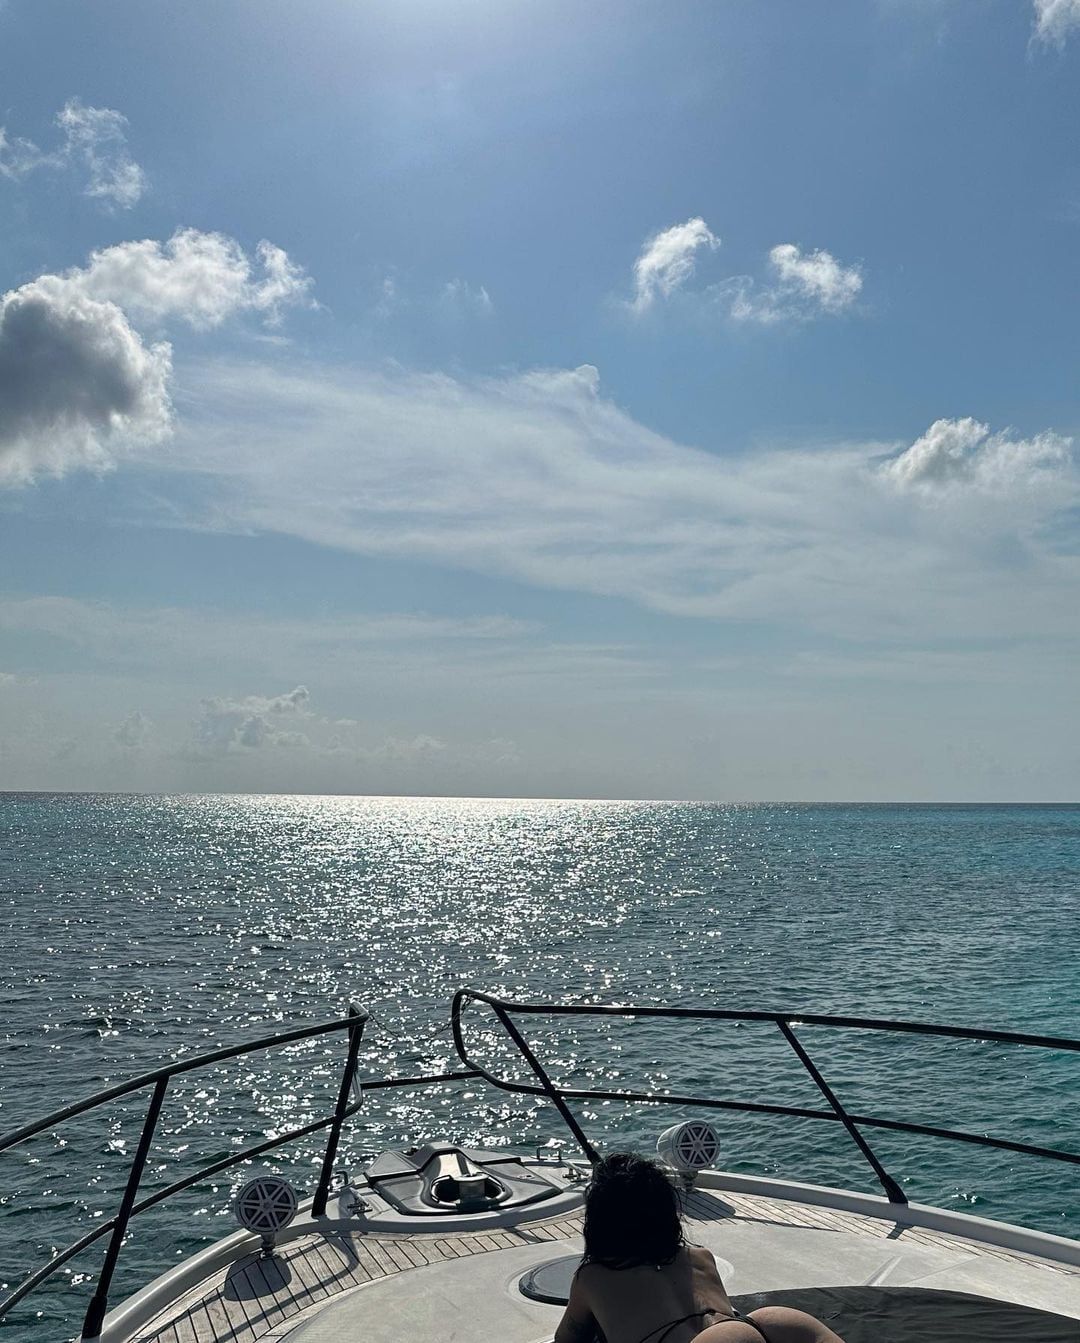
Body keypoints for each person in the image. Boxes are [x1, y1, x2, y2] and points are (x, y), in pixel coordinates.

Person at [554, 1153, 846, 1343]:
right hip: (765, 1329)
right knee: (765, 1322)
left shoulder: (592, 1277)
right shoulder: (699, 1256)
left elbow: (566, 1340)